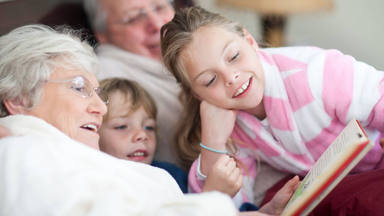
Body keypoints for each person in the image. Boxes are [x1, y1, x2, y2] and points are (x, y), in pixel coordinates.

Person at [0, 24, 300, 216]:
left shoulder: (74, 158)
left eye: (97, 93)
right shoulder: (17, 153)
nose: (99, 108)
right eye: (79, 88)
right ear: (18, 99)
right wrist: (215, 202)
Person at [160, 6, 384, 214]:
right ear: (197, 94)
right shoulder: (226, 123)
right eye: (210, 80)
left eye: (234, 57)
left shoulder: (317, 72)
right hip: (332, 182)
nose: (231, 78)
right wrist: (213, 143)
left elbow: (378, 95)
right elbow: (217, 204)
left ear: (250, 41)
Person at [83, 0, 183, 166]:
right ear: (103, 35)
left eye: (159, 7)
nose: (157, 25)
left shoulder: (200, 46)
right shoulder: (100, 76)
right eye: (134, 18)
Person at [98, 78, 188, 193]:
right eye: (121, 126)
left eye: (149, 127)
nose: (142, 134)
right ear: (93, 133)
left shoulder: (173, 176)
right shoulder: (91, 180)